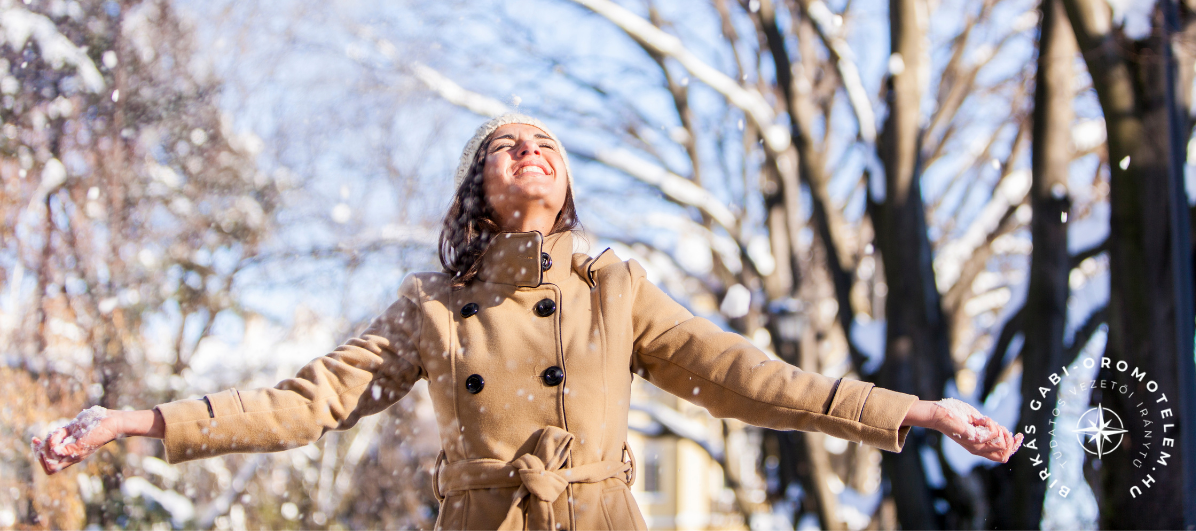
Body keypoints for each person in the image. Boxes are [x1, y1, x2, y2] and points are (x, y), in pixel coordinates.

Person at [34, 114, 1022, 530]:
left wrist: (913, 411)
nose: (529, 150)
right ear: (479, 184)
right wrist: (138, 422)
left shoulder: (614, 286)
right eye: (506, 145)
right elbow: (304, 404)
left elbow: (751, 376)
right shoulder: (429, 307)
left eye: (545, 142)